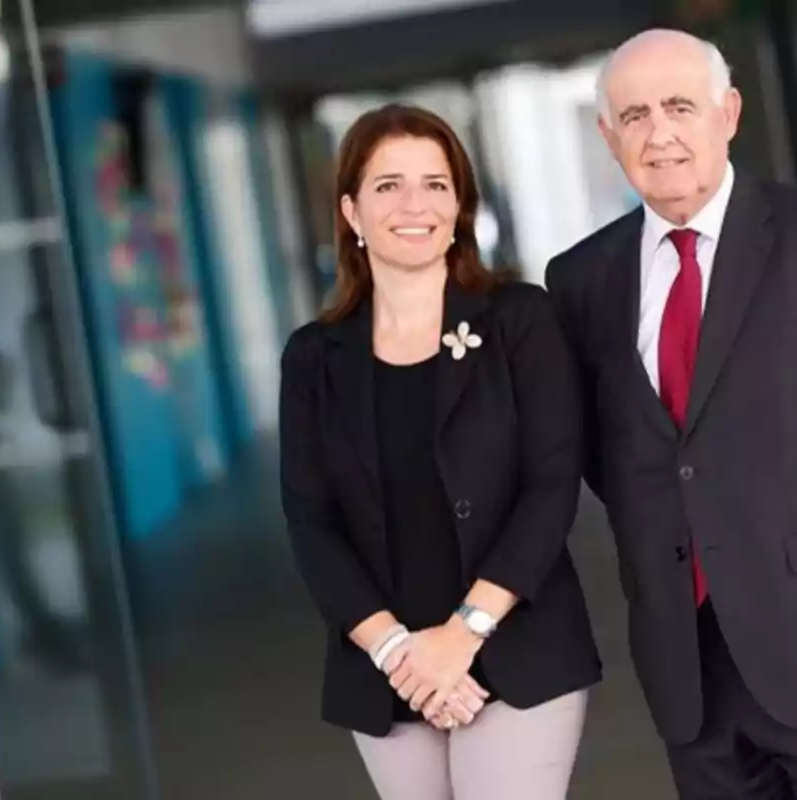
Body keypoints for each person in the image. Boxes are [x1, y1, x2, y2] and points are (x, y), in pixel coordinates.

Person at [546, 29, 797, 799]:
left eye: (679, 106)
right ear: (607, 137)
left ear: (728, 114)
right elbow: (616, 455)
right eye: (633, 116)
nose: (658, 133)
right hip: (691, 670)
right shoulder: (580, 281)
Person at [278, 104, 600, 800]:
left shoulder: (520, 319)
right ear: (352, 212)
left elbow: (552, 487)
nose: (414, 204)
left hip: (515, 648)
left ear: (459, 206)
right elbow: (312, 525)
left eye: (435, 184)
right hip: (384, 668)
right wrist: (401, 654)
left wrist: (461, 636)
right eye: (388, 185)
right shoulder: (314, 358)